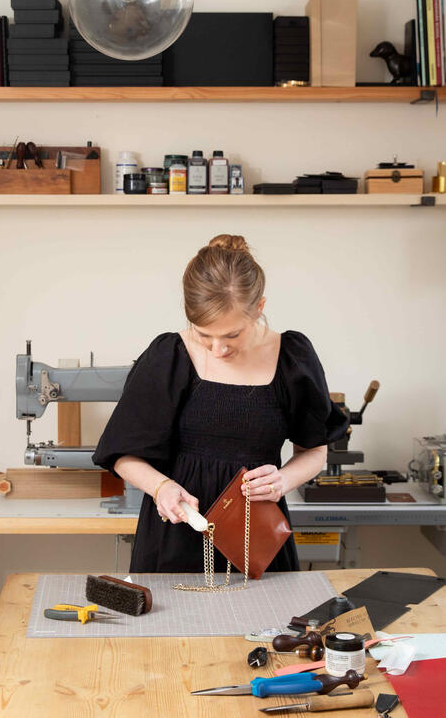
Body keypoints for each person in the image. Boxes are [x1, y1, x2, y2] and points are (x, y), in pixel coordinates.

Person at [93, 234, 348, 573]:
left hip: (257, 540)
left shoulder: (292, 360)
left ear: (260, 307)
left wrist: (283, 481)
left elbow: (315, 452)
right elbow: (122, 454)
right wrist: (161, 487)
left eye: (232, 336)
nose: (218, 350)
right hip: (174, 537)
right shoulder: (169, 356)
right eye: (203, 335)